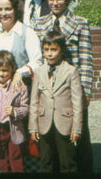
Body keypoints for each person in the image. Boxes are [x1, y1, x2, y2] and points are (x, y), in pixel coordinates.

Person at [32, 0, 94, 172]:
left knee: (77, 136)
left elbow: (85, 58)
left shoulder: (79, 23)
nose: (55, 2)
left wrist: (86, 91)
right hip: (50, 87)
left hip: (71, 87)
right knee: (50, 137)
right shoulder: (40, 23)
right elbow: (38, 57)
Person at [29, 30, 83, 172]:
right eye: (46, 50)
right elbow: (34, 101)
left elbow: (77, 103)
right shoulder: (39, 71)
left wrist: (76, 128)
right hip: (44, 123)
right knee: (46, 162)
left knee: (68, 162)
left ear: (62, 50)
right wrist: (33, 127)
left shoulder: (71, 71)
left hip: (65, 123)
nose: (50, 53)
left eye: (54, 49)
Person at [0, 51, 29, 172]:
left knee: (16, 159)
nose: (1, 74)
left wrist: (15, 112)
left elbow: (26, 108)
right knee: (1, 159)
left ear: (12, 69)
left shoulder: (19, 87)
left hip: (12, 128)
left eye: (5, 70)